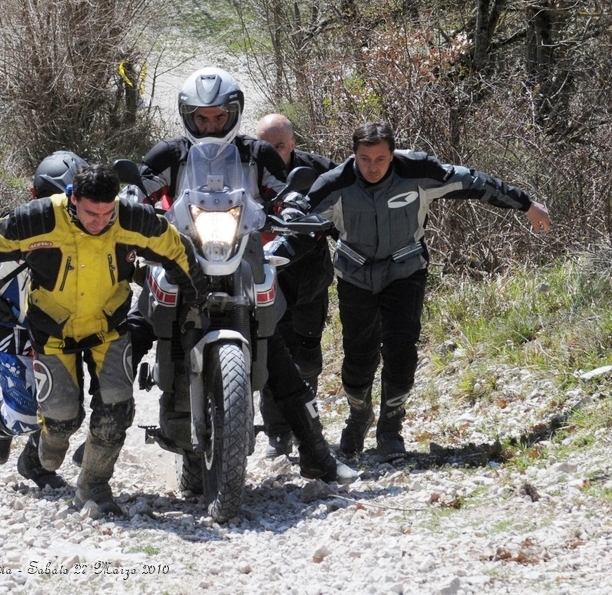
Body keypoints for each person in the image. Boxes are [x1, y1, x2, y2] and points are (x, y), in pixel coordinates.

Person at [0, 164, 208, 515]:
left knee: (116, 410)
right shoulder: (39, 219)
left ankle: (94, 489)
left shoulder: (133, 219)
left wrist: (200, 299)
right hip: (53, 332)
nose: (99, 222)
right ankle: (37, 457)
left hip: (109, 328)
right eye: (91, 212)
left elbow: (178, 250)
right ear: (73, 198)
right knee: (61, 422)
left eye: (107, 213)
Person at [130, 67, 356, 483]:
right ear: (188, 116)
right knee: (131, 333)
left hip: (243, 251)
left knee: (278, 351)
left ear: (234, 113)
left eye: (219, 117)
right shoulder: (170, 152)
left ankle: (317, 456)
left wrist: (292, 206)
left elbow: (286, 187)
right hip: (183, 252)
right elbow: (139, 185)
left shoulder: (256, 152)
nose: (211, 125)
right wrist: (133, 204)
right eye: (202, 118)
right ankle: (98, 442)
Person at [306, 121, 552, 460]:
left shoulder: (419, 171)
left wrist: (525, 204)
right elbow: (297, 221)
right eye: (365, 159)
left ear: (392, 154)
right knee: (359, 360)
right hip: (355, 276)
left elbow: (475, 182)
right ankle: (358, 416)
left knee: (401, 351)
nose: (373, 167)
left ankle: (390, 429)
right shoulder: (334, 183)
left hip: (405, 272)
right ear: (354, 155)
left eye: (380, 159)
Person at [0, 150, 86, 490]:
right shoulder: (14, 226)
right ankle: (1, 419)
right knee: (24, 413)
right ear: (35, 197)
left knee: (67, 409)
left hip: (63, 332)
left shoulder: (95, 231)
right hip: (17, 328)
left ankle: (33, 463)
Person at [255, 113, 337, 459]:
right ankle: (277, 434)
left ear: (293, 144)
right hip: (262, 279)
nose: (272, 154)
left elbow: (350, 202)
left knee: (306, 356)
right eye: (265, 148)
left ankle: (307, 430)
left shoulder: (318, 170)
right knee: (272, 354)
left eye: (279, 147)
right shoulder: (245, 170)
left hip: (308, 277)